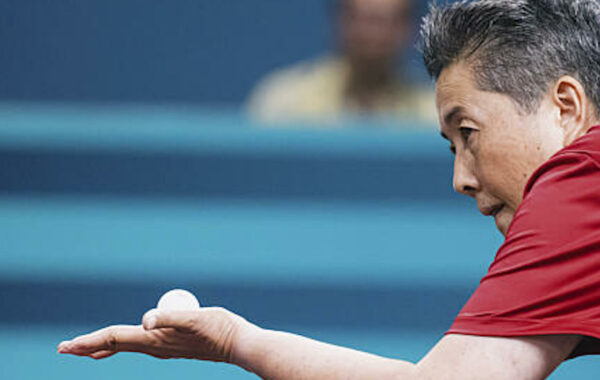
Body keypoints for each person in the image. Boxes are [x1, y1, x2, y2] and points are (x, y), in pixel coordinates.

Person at [57, 1, 600, 378]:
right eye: (449, 145)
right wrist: (232, 341)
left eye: (468, 133)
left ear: (566, 107)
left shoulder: (582, 177)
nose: (460, 177)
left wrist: (236, 342)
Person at [246, 0, 436, 125]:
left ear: (410, 29)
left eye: (387, 21)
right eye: (362, 19)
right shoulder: (281, 103)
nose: (373, 33)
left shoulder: (434, 115)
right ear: (339, 22)